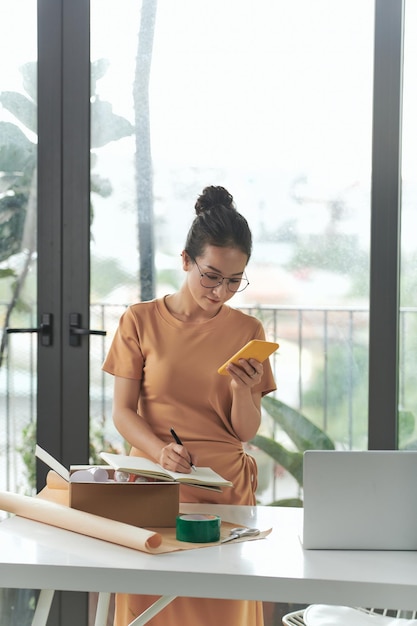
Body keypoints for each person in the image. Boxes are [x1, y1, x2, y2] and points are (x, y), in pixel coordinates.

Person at [102, 185, 277, 626]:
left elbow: (244, 432)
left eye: (235, 281)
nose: (221, 292)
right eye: (211, 276)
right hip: (156, 484)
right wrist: (160, 452)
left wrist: (242, 390)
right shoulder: (139, 320)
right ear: (186, 260)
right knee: (150, 609)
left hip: (225, 488)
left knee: (223, 610)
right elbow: (123, 412)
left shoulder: (248, 329)